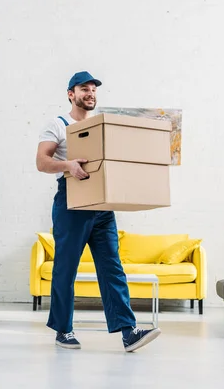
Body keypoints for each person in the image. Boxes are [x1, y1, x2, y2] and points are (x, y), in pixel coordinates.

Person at [36, 71, 162, 352]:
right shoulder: (58, 125)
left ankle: (128, 332)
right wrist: (68, 165)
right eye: (84, 89)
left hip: (102, 205)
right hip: (71, 203)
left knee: (112, 267)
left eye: (93, 89)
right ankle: (63, 330)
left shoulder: (101, 126)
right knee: (66, 268)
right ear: (71, 93)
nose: (90, 93)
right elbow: (42, 162)